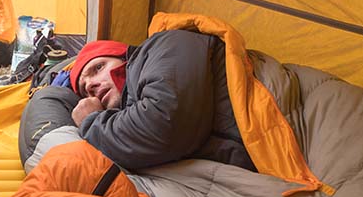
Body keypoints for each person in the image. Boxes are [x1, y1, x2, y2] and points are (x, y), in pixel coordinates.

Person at [19, 32, 257, 173]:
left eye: (98, 67)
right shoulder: (128, 111)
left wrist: (92, 121)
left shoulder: (164, 45)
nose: (91, 84)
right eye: (84, 88)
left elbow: (165, 122)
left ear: (124, 56)